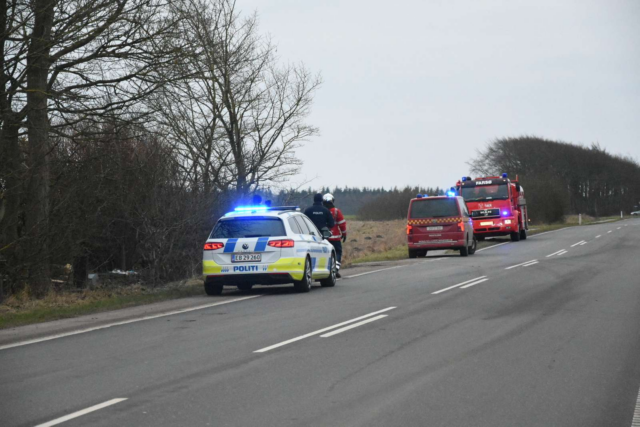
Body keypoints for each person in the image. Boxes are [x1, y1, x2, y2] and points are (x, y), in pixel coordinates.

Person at [322, 193, 347, 278]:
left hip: (324, 238)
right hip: (335, 238)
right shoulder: (336, 211)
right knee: (338, 253)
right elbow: (342, 224)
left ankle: (326, 270)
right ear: (332, 200)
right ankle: (335, 269)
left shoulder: (322, 211)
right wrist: (344, 234)